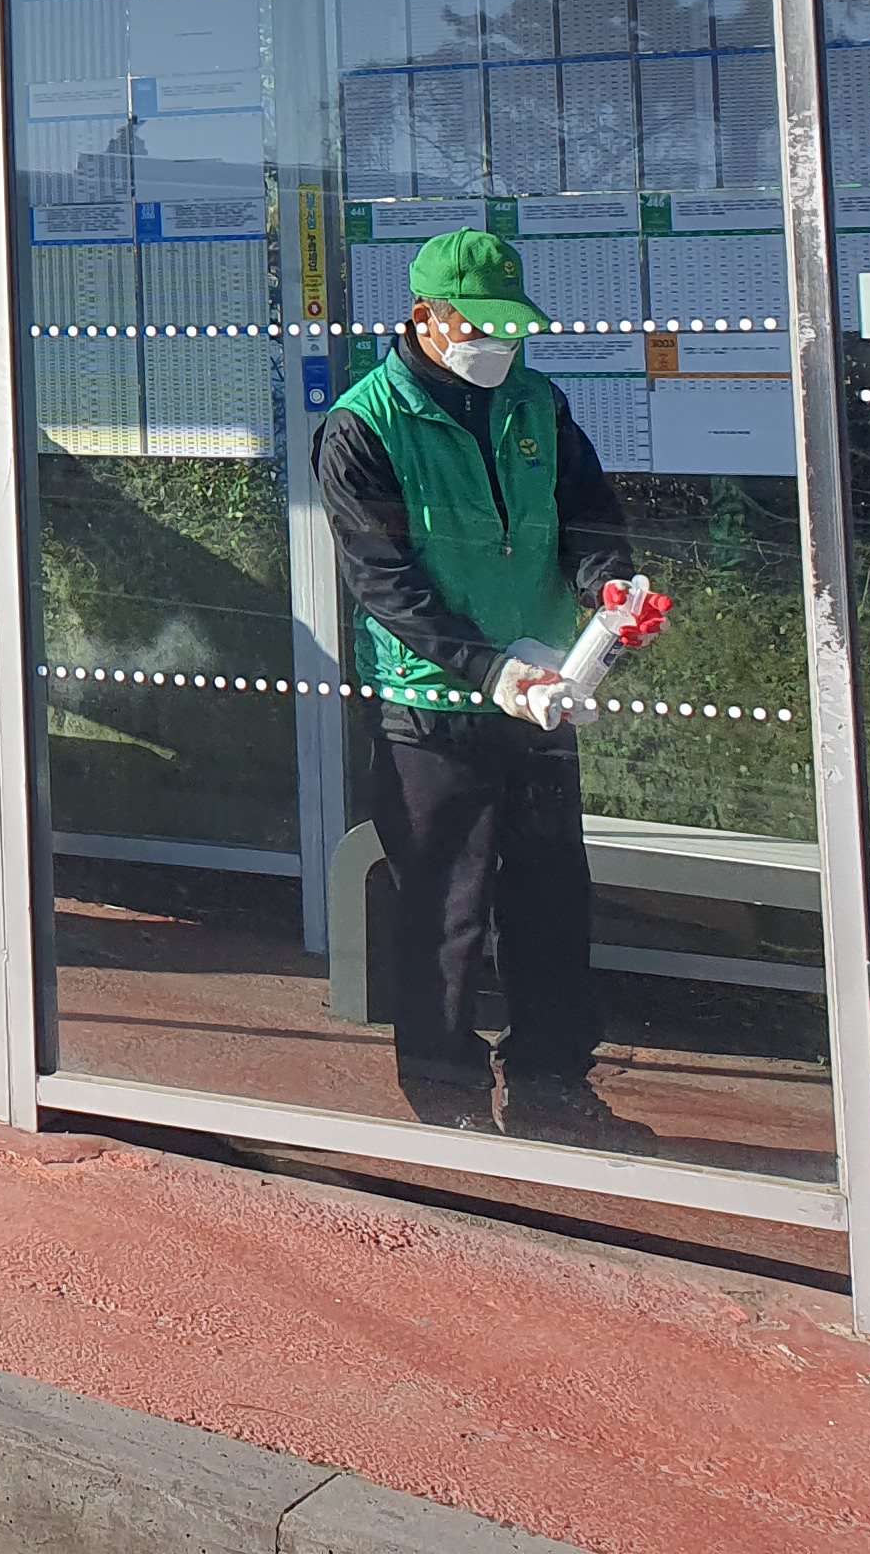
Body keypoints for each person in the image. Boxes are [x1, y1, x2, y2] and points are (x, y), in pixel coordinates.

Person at [318, 227, 638, 1140]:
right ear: (426, 316)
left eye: (512, 326)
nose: (499, 344)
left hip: (540, 689)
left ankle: (551, 1081)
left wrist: (608, 587)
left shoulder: (538, 402)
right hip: (431, 702)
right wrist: (483, 666)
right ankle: (444, 1095)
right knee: (445, 906)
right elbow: (384, 580)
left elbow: (587, 517)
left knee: (551, 892)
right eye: (481, 325)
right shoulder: (362, 426)